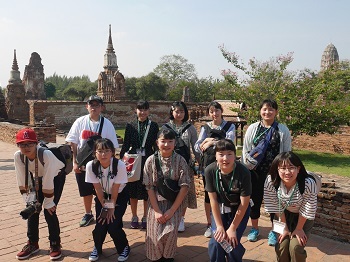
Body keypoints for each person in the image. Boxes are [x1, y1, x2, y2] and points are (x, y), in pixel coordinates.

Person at [242, 99, 292, 246]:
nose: (267, 112)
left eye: (271, 109)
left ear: (276, 112)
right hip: (254, 172)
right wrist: (247, 166)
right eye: (264, 109)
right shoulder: (253, 128)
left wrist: (284, 171)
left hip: (275, 173)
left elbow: (287, 153)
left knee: (276, 205)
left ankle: (274, 232)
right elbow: (246, 149)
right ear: (260, 111)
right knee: (254, 202)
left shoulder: (282, 130)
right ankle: (255, 229)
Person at [66, 95, 119, 227]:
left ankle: (106, 210)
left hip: (102, 163)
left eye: (97, 105)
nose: (94, 107)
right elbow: (73, 143)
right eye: (91, 105)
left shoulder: (107, 124)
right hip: (83, 162)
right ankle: (88, 213)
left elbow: (112, 147)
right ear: (87, 106)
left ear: (102, 107)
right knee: (86, 190)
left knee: (104, 188)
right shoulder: (80, 122)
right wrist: (75, 162)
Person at [14, 128, 65, 260]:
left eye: (30, 143)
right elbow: (22, 178)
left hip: (55, 177)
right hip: (37, 178)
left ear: (36, 143)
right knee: (32, 209)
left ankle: (55, 243)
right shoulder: (18, 156)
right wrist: (29, 199)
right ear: (18, 145)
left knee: (49, 211)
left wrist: (49, 201)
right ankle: (32, 243)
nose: (26, 147)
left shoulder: (46, 154)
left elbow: (48, 180)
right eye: (22, 144)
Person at [143, 129, 190, 261]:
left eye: (170, 141)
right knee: (154, 234)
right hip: (155, 203)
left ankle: (168, 257)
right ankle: (155, 257)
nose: (166, 145)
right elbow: (149, 187)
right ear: (157, 142)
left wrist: (172, 210)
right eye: (163, 141)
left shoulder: (180, 160)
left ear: (175, 143)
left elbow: (184, 186)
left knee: (170, 232)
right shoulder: (150, 161)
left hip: (173, 202)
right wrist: (157, 211)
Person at [264, 151, 318, 262]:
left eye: (291, 168)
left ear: (298, 169)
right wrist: (284, 227)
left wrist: (298, 229)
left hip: (302, 217)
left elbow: (308, 207)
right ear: (277, 169)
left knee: (295, 247)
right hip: (281, 214)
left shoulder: (308, 183)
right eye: (282, 168)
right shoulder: (271, 181)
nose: (287, 172)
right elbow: (274, 204)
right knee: (281, 245)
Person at [205, 139, 251, 262]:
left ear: (235, 155)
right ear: (215, 156)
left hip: (239, 209)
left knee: (231, 241)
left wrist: (232, 228)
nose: (225, 158)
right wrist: (219, 226)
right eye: (221, 154)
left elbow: (244, 203)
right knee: (216, 241)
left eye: (229, 154)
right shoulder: (210, 170)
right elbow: (213, 200)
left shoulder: (243, 172)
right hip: (220, 209)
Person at [195, 101, 236, 237]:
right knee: (209, 195)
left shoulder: (230, 126)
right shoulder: (205, 127)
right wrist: (205, 142)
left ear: (221, 111)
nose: (214, 114)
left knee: (224, 194)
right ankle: (209, 224)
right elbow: (198, 146)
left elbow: (229, 143)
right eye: (211, 111)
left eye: (216, 111)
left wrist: (211, 141)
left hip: (225, 166)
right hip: (208, 166)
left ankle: (225, 223)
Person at [85, 138, 130, 262]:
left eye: (107, 151)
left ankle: (124, 248)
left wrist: (111, 208)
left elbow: (115, 189)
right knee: (101, 223)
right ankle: (97, 248)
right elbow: (98, 189)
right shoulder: (91, 166)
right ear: (95, 153)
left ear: (113, 152)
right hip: (103, 196)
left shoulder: (119, 165)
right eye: (100, 151)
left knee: (113, 225)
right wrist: (105, 207)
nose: (103, 154)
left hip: (119, 196)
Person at [120, 100, 159, 229]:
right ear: (136, 110)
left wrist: (157, 160)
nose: (142, 112)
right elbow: (125, 144)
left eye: (145, 109)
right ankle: (134, 215)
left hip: (148, 159)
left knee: (147, 188)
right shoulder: (130, 125)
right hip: (133, 160)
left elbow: (156, 145)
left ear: (149, 111)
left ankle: (145, 216)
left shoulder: (153, 126)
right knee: (133, 189)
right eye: (140, 109)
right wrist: (122, 161)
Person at [162, 101, 200, 232]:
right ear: (172, 112)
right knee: (169, 190)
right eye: (177, 111)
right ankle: (170, 215)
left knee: (183, 193)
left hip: (185, 165)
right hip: (169, 164)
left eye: (182, 111)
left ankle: (181, 219)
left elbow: (195, 147)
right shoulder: (165, 128)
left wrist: (199, 162)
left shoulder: (190, 128)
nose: (179, 114)